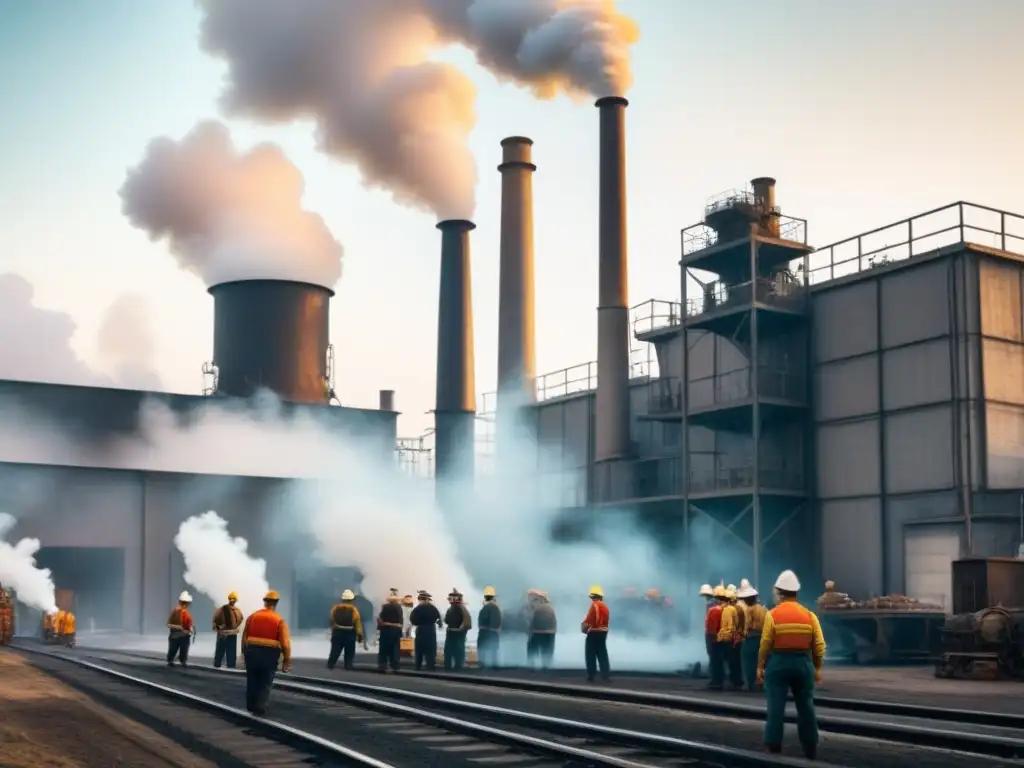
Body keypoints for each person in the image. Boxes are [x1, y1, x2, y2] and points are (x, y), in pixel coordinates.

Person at [756, 569, 826, 759]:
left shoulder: (773, 615)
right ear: (796, 592)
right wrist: (817, 668)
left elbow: (765, 644)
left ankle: (773, 746)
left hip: (778, 663)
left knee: (776, 707)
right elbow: (819, 645)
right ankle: (810, 747)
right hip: (803, 663)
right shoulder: (809, 615)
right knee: (806, 707)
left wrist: (761, 666)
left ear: (779, 592)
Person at [242, 590, 292, 716]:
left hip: (252, 652)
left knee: (252, 679)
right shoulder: (279, 620)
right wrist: (287, 659)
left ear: (265, 602)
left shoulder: (252, 616)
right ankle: (260, 707)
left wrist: (244, 652)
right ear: (276, 603)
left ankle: (251, 705)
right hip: (269, 654)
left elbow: (244, 636)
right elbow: (285, 643)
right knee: (265, 681)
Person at [737, 578, 767, 691]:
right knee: (760, 662)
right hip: (762, 638)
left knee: (748, 662)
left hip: (750, 639)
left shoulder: (747, 610)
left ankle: (751, 683)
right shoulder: (763, 609)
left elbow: (745, 626)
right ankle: (760, 682)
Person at [328, 589, 364, 671]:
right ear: (351, 600)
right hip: (350, 633)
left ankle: (331, 664)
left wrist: (333, 630)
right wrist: (359, 634)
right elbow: (357, 622)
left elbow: (331, 620)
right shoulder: (354, 610)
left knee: (335, 650)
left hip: (337, 632)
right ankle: (348, 665)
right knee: (349, 651)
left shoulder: (335, 608)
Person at [581, 585, 610, 682]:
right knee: (602, 653)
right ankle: (605, 675)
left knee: (590, 654)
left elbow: (591, 619)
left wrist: (585, 627)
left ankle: (591, 675)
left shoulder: (595, 605)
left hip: (594, 632)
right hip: (604, 632)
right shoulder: (605, 606)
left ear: (593, 596)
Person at [409, 590, 442, 670]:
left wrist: (417, 623)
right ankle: (430, 666)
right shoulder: (433, 608)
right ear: (428, 599)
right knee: (430, 649)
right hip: (431, 629)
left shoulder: (417, 609)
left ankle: (418, 666)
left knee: (419, 649)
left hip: (421, 629)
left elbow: (412, 620)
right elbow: (438, 620)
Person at [526, 590, 557, 669]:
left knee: (532, 650)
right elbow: (554, 622)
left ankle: (531, 665)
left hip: (537, 632)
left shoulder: (537, 609)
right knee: (547, 651)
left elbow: (532, 621)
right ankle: (546, 666)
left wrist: (530, 631)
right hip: (549, 633)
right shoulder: (551, 609)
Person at [213, 591, 244, 669]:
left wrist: (218, 628)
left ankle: (222, 666)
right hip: (225, 634)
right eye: (231, 599)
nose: (232, 600)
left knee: (228, 653)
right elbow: (215, 620)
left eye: (233, 599)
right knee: (224, 653)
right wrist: (218, 628)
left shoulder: (234, 611)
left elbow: (240, 620)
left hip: (228, 634)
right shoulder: (222, 610)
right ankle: (223, 666)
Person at [376, 589, 404, 673]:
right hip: (395, 631)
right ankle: (395, 666)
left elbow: (380, 618)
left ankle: (382, 665)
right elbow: (400, 620)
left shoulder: (384, 607)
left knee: (384, 649)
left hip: (385, 630)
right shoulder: (398, 607)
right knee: (394, 649)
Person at [443, 588, 472, 670]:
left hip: (457, 633)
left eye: (452, 598)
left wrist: (460, 630)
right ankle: (449, 667)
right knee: (449, 651)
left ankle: (457, 667)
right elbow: (447, 620)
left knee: (457, 651)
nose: (450, 600)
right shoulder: (451, 609)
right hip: (452, 632)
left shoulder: (461, 609)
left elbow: (467, 623)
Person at [166, 591, 194, 667]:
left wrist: (190, 629)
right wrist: (178, 627)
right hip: (175, 636)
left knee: (184, 650)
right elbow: (168, 624)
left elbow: (189, 624)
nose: (185, 604)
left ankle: (183, 661)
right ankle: (171, 660)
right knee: (173, 650)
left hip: (185, 636)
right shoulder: (175, 612)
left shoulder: (187, 614)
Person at [706, 585, 726, 689]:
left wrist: (712, 637)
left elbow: (712, 626)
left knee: (715, 660)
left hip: (715, 638)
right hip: (723, 638)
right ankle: (719, 680)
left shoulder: (715, 610)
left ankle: (716, 681)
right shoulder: (726, 609)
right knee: (720, 660)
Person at [477, 586, 502, 668]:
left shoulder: (485, 608)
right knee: (492, 652)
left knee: (483, 652)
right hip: (491, 633)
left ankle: (483, 667)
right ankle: (493, 668)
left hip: (483, 633)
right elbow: (496, 623)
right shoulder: (494, 607)